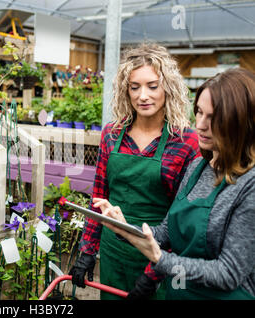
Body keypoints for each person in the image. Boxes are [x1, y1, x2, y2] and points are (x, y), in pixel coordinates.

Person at [96, 67, 255, 300]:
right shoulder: (197, 168)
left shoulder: (249, 185)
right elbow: (165, 233)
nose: (200, 124)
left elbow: (228, 273)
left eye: (213, 118)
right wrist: (125, 228)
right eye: (199, 112)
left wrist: (160, 260)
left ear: (242, 121)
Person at [69, 43, 200, 300]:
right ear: (125, 91)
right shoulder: (112, 134)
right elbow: (99, 199)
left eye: (152, 86)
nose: (143, 96)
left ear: (168, 88)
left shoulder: (185, 141)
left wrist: (156, 271)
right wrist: (87, 251)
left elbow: (182, 220)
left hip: (157, 255)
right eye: (134, 87)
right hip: (113, 252)